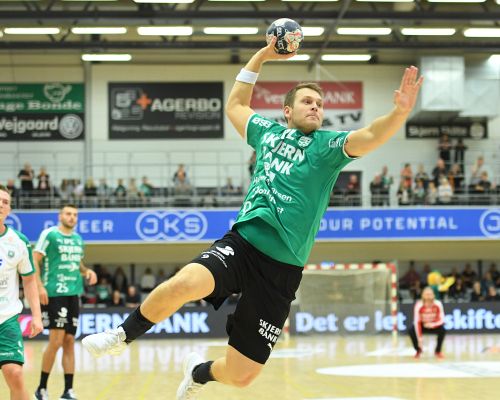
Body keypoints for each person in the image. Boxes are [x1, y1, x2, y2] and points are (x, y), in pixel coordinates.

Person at [82, 37, 423, 399]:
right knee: (185, 283)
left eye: (320, 104)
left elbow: (370, 135)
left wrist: (399, 114)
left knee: (242, 375)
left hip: (282, 269)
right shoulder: (268, 134)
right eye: (307, 101)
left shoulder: (327, 147)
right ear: (287, 111)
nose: (315, 107)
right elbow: (235, 104)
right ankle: (121, 336)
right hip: (243, 244)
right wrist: (262, 56)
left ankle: (198, 373)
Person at [33, 204, 97, 400]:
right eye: (68, 214)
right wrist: (39, 287)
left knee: (69, 341)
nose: (72, 217)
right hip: (54, 292)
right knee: (56, 341)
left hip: (73, 294)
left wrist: (87, 271)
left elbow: (77, 263)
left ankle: (68, 390)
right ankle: (41, 388)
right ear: (60, 216)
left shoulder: (78, 239)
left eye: (75, 215)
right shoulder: (49, 234)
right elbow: (34, 260)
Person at [0, 185, 43, 400]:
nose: (1, 205)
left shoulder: (19, 241)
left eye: (5, 202)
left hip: (6, 319)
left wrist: (37, 316)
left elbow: (29, 280)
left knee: (15, 374)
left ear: (9, 209)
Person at [409, 287, 446, 359]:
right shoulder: (419, 305)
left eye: (430, 294)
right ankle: (418, 350)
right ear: (423, 295)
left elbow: (442, 320)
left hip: (434, 325)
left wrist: (432, 325)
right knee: (411, 330)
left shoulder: (438, 304)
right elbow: (416, 322)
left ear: (433, 295)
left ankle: (438, 351)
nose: (428, 296)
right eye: (426, 294)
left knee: (443, 330)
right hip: (423, 325)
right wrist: (419, 338)